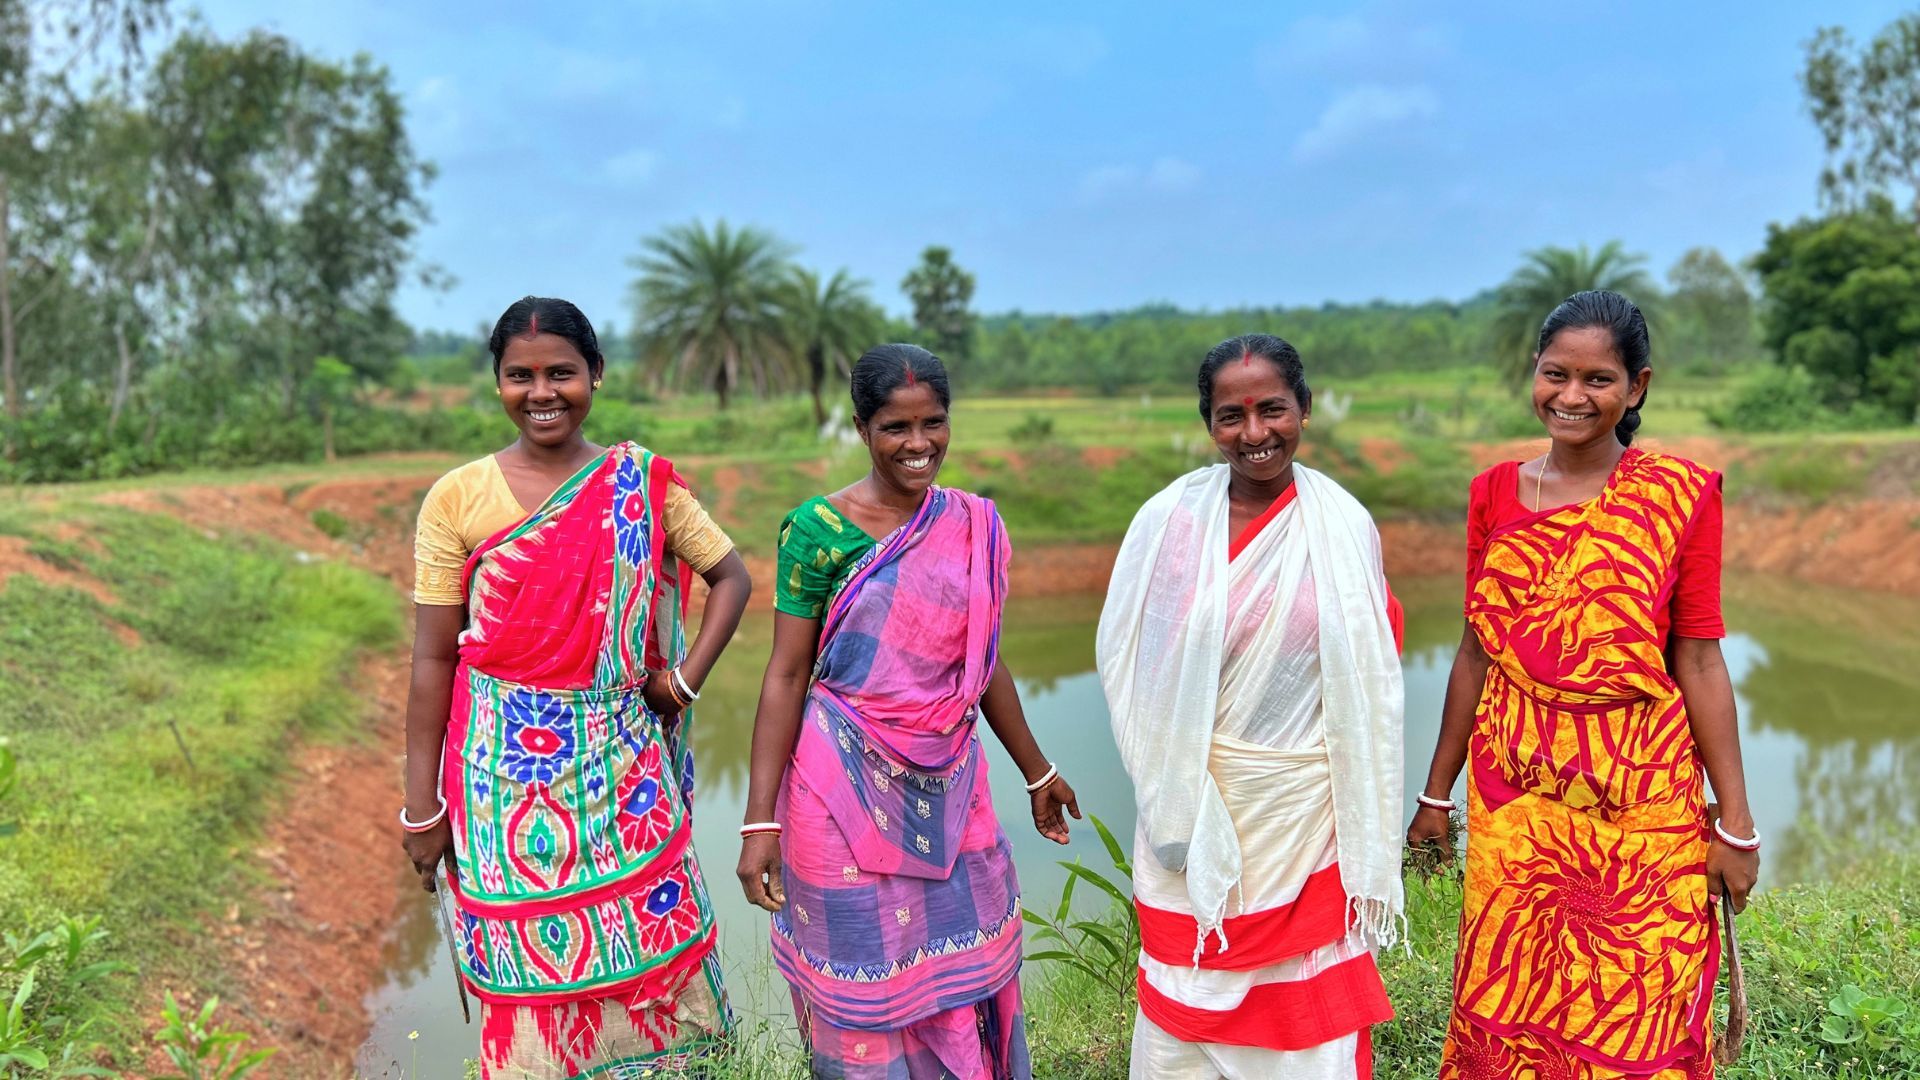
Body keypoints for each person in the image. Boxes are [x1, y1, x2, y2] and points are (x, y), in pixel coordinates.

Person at [1408, 290, 1760, 1079]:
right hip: (1518, 801)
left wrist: (1735, 822)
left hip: (1641, 798)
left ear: (1636, 387)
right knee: (1513, 1005)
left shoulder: (1680, 496)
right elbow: (1476, 652)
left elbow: (1699, 659)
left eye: (1597, 379)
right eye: (1554, 373)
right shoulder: (1494, 491)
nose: (1571, 396)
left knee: (1640, 1003)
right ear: (1533, 374)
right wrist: (1437, 794)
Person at [399, 297, 753, 1078]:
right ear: (496, 383)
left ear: (595, 373)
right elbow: (432, 660)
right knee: (527, 985)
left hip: (625, 766)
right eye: (518, 376)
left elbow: (730, 576)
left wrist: (682, 685)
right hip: (498, 782)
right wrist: (421, 808)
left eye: (561, 372)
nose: (541, 392)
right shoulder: (457, 497)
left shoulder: (640, 484)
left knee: (658, 943)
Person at [736, 343, 1079, 1080]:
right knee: (863, 977)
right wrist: (758, 819)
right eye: (896, 426)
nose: (919, 444)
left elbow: (982, 664)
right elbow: (786, 674)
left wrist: (1038, 769)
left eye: (934, 423)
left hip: (954, 787)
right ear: (861, 428)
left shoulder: (971, 524)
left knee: (968, 975)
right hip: (837, 793)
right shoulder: (817, 532)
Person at [1098, 334, 1407, 1080]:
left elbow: (1373, 674)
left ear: (1304, 407)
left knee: (1305, 1033)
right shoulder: (1168, 523)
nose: (1255, 432)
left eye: (1273, 409)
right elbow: (1127, 665)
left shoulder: (1342, 525)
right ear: (1209, 423)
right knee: (1183, 1014)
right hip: (1189, 807)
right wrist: (1172, 782)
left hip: (1303, 822)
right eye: (1231, 416)